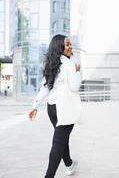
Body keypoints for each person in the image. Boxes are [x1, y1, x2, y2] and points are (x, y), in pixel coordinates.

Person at [28, 34, 82, 178]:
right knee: (59, 142)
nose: (70, 46)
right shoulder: (69, 64)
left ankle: (70, 164)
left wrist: (35, 106)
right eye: (67, 44)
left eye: (70, 43)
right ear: (60, 47)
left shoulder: (51, 64)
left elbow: (45, 88)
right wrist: (78, 71)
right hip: (64, 108)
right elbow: (75, 86)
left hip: (52, 108)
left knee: (62, 139)